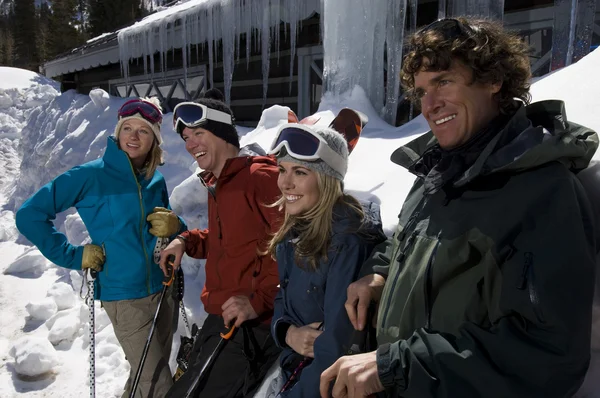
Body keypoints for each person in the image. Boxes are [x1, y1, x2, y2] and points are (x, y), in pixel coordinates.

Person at [320, 17, 598, 398]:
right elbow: (405, 242)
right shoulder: (436, 175)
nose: (429, 106)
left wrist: (394, 366)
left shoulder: (541, 192)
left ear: (493, 79)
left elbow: (549, 354)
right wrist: (379, 275)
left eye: (443, 82)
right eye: (421, 92)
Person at [15, 97, 187, 397]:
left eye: (143, 131)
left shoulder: (154, 180)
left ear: (154, 140)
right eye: (127, 128)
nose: (133, 136)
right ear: (117, 133)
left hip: (163, 291)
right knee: (158, 383)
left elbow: (168, 232)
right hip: (125, 298)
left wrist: (176, 226)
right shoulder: (89, 176)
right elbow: (29, 215)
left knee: (144, 375)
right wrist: (73, 255)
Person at [161, 94, 282, 398]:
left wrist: (259, 302)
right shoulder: (221, 183)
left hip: (252, 327)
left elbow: (293, 247)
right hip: (222, 317)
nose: (190, 144)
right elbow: (228, 240)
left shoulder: (260, 177)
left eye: (199, 134)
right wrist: (186, 240)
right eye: (187, 138)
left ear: (223, 133)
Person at [264, 123, 386, 397]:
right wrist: (286, 333)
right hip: (295, 371)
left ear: (327, 178)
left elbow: (337, 349)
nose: (285, 182)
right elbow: (283, 300)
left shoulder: (347, 240)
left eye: (300, 172)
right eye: (282, 169)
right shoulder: (296, 229)